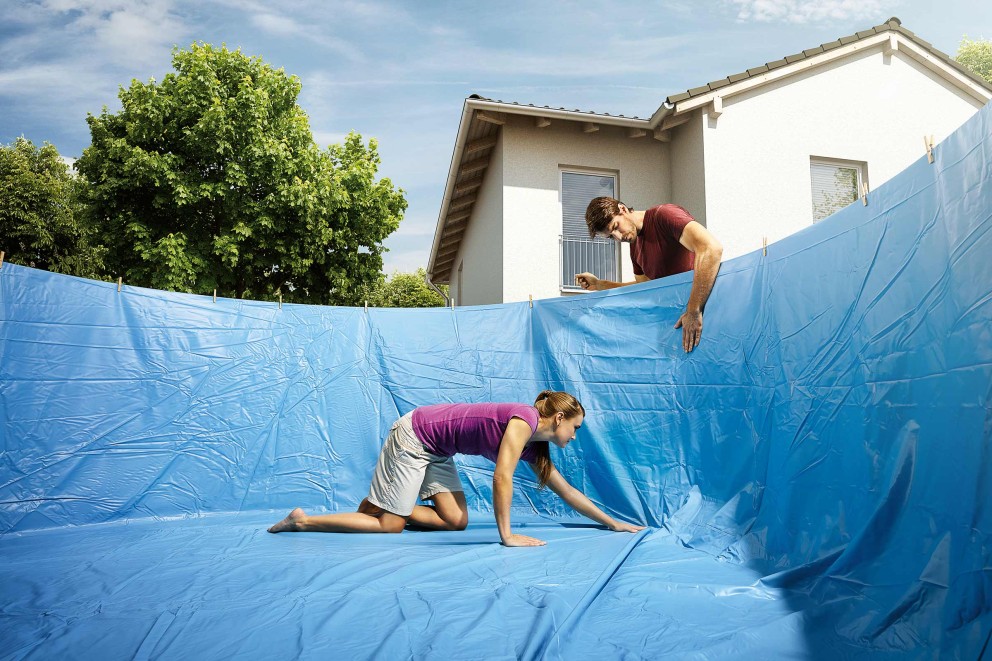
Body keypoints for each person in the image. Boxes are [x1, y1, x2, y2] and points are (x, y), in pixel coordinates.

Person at [268, 390, 644, 546]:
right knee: (390, 526)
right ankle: (302, 520)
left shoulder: (535, 448)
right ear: (559, 417)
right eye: (575, 428)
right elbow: (502, 477)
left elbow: (568, 492)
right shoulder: (524, 421)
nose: (575, 436)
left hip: (438, 450)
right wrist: (507, 536)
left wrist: (611, 522)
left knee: (455, 520)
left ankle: (381, 504)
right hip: (415, 437)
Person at [575, 197, 723, 353]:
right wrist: (600, 285)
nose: (618, 238)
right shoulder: (635, 249)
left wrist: (694, 311)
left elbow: (710, 249)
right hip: (682, 327)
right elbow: (644, 289)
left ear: (623, 209)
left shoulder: (664, 215)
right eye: (611, 236)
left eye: (616, 227)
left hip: (706, 318)